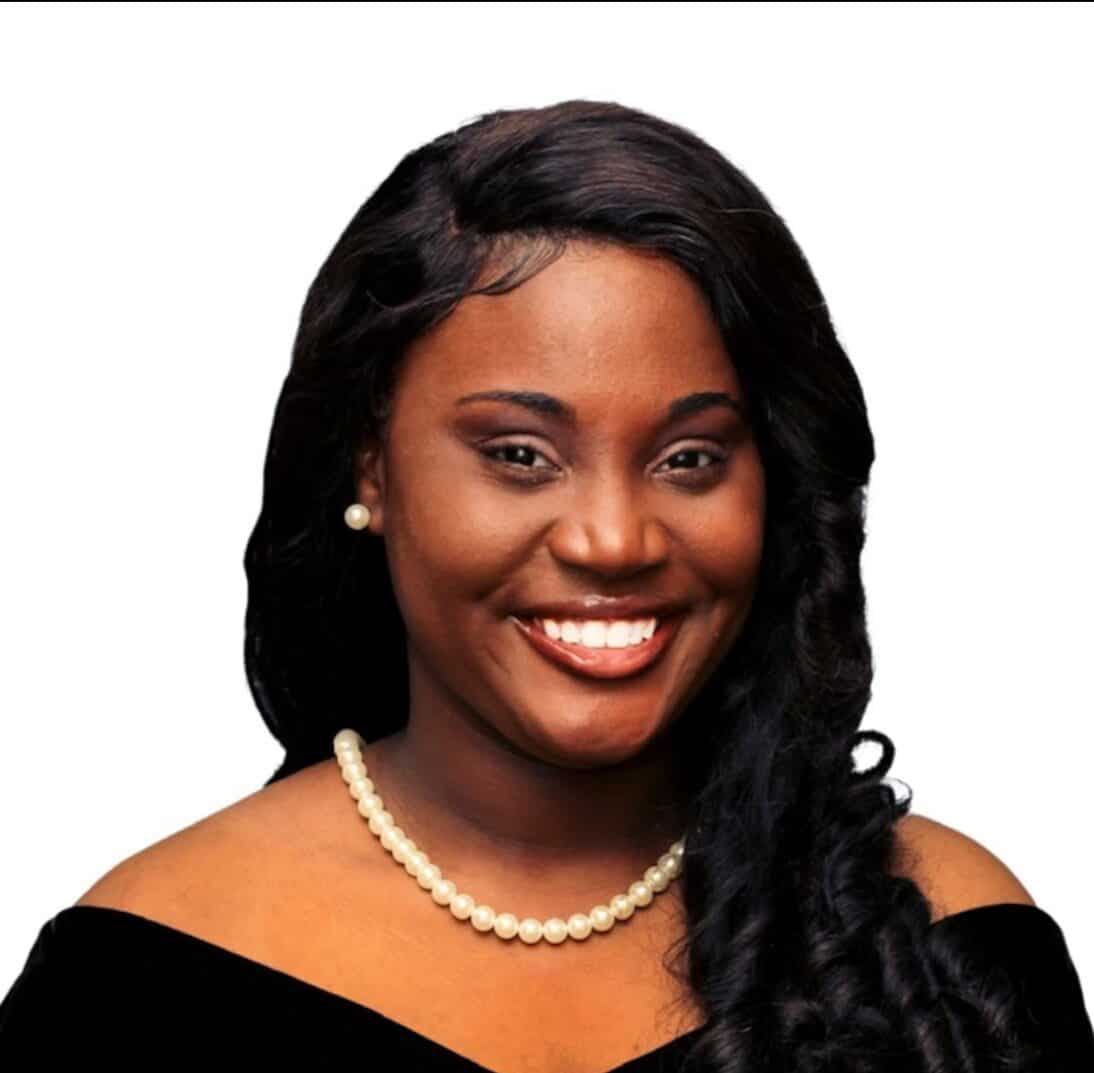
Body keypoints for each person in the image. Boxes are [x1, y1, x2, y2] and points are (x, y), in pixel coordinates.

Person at [1, 98, 1091, 1072]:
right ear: (369, 465)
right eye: (520, 454)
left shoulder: (947, 949)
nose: (613, 539)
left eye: (689, 458)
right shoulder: (138, 976)